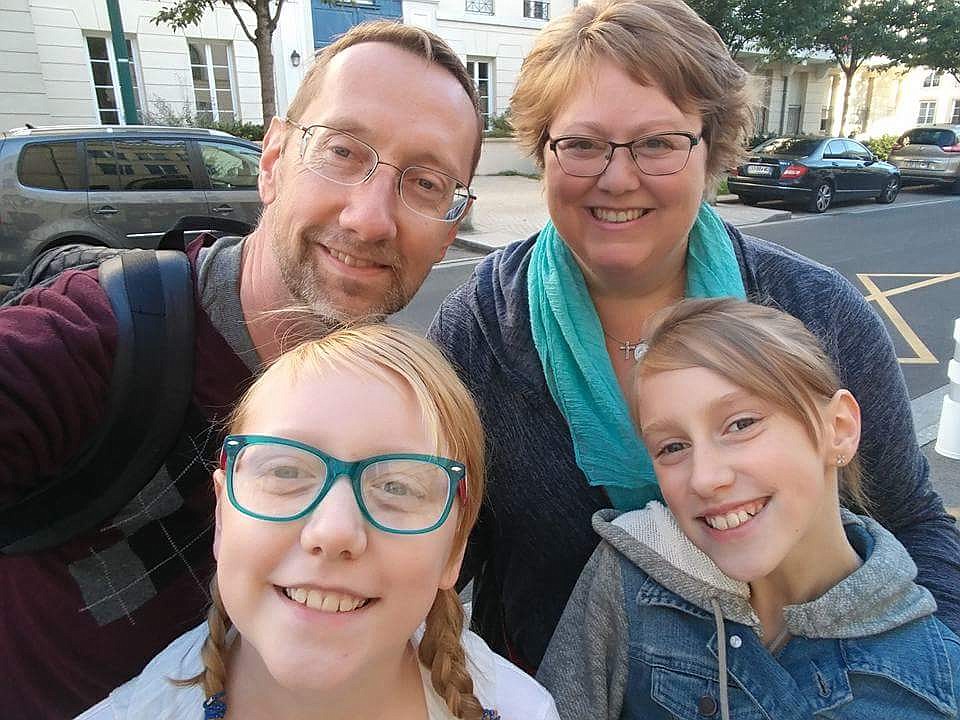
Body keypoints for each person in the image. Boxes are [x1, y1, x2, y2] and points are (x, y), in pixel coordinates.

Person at [428, 0, 960, 675]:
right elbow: (440, 550)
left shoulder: (814, 311)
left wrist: (934, 680)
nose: (617, 177)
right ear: (543, 153)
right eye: (583, 144)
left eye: (657, 143)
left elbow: (911, 519)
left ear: (712, 150)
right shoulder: (480, 332)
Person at [0, 22, 483, 719]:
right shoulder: (101, 340)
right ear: (274, 159)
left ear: (450, 228)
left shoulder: (401, 412)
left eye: (427, 183)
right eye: (344, 152)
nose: (371, 218)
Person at [77, 325, 559, 720]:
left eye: (397, 487)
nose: (333, 532)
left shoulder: (526, 710)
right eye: (286, 471)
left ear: (454, 549)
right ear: (223, 516)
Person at [537, 298, 960, 719]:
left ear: (839, 429)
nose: (704, 478)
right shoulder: (632, 572)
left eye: (741, 424)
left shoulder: (934, 685)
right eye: (672, 447)